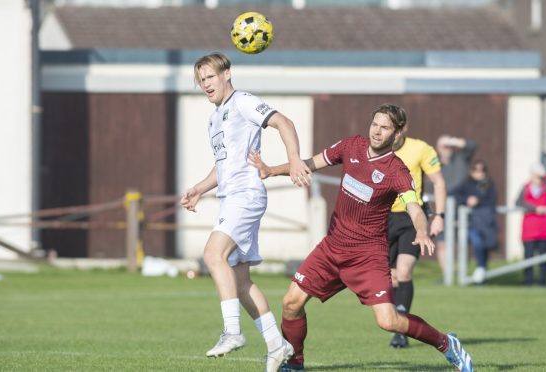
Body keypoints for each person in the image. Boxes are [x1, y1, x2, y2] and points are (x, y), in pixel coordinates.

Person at [250, 104, 473, 372]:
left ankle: (446, 344)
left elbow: (414, 207)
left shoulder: (397, 170)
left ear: (398, 133)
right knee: (291, 303)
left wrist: (422, 230)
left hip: (367, 256)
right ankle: (295, 363)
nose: (377, 132)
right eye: (375, 124)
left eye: (385, 127)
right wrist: (271, 170)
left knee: (389, 322)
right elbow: (311, 163)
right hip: (332, 247)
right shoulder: (351, 146)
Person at [180, 52, 311, 372]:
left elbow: (284, 122)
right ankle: (277, 345)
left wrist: (294, 159)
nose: (205, 84)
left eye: (210, 77)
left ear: (227, 74)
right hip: (231, 197)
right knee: (240, 280)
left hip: (246, 196)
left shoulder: (242, 102)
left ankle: (233, 332)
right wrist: (199, 187)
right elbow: (223, 164)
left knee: (213, 255)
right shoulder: (215, 117)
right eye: (201, 80)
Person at [386, 125, 446, 348]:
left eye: (394, 129)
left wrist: (439, 216)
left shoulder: (420, 148)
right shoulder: (375, 148)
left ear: (403, 129)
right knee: (390, 278)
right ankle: (396, 323)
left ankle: (401, 330)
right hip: (382, 218)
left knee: (404, 271)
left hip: (412, 217)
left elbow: (439, 182)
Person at [433, 135, 477, 277]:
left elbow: (472, 145)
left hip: (461, 207)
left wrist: (452, 141)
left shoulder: (460, 159)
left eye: (449, 147)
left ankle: (460, 274)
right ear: (438, 148)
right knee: (442, 243)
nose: (447, 149)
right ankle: (447, 276)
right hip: (442, 208)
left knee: (460, 242)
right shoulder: (434, 163)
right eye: (444, 146)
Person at [515, 163, 546, 287]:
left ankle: (542, 282)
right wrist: (534, 208)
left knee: (544, 259)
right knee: (528, 258)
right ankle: (528, 282)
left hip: (545, 229)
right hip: (529, 230)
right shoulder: (526, 188)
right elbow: (518, 202)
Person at [453, 160, 498, 284]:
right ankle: (479, 269)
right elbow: (454, 194)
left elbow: (492, 200)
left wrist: (478, 201)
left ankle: (482, 273)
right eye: (476, 170)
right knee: (477, 243)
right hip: (470, 222)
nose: (479, 173)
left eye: (482, 170)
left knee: (485, 247)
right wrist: (466, 200)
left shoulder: (489, 184)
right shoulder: (466, 183)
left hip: (485, 222)